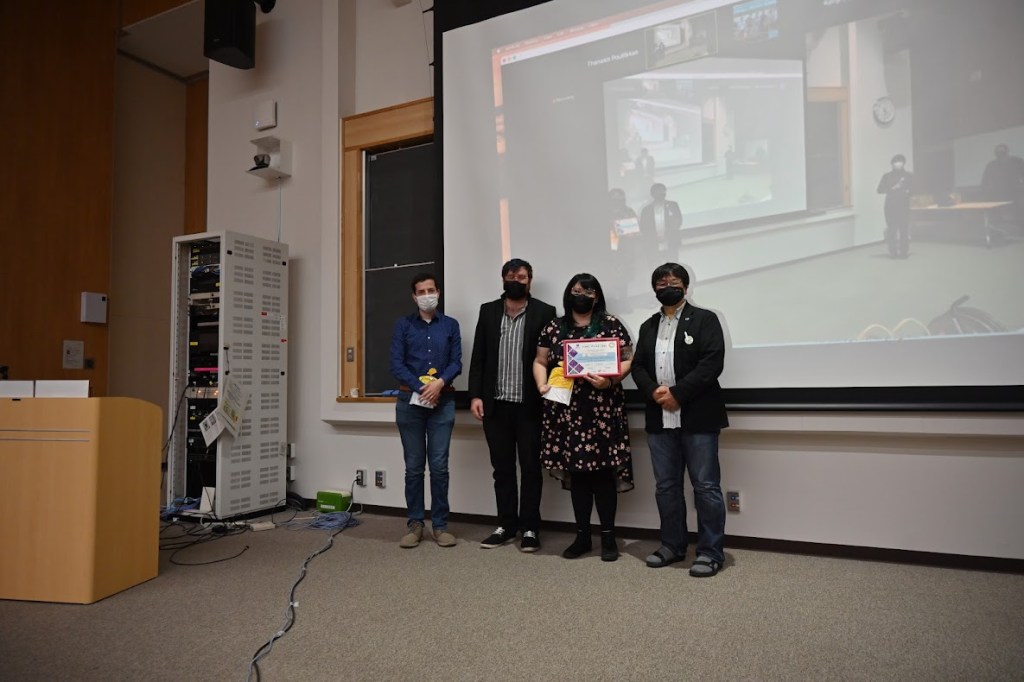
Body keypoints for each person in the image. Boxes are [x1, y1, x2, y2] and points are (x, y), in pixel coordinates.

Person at [631, 263, 728, 577]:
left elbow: (712, 362)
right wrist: (654, 391)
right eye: (661, 283)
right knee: (666, 487)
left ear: (686, 287)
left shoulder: (705, 319)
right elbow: (638, 366)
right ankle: (672, 545)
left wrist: (678, 394)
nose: (667, 286)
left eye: (673, 281)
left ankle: (711, 552)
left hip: (698, 416)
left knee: (706, 487)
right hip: (659, 417)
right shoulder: (648, 325)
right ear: (654, 290)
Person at [533, 273, 633, 562]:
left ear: (596, 296)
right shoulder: (554, 327)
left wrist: (611, 380)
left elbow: (628, 358)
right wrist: (541, 384)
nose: (582, 295)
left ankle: (609, 537)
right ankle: (582, 536)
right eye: (576, 290)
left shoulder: (610, 324)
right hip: (567, 411)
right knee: (577, 477)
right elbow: (540, 360)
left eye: (588, 291)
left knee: (603, 475)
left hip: (602, 409)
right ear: (568, 294)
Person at [468, 259, 557, 552]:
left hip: (529, 406)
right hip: (495, 406)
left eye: (522, 276)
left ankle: (530, 527)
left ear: (530, 280)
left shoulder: (545, 312)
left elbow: (551, 361)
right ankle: (506, 525)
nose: (516, 280)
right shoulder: (488, 310)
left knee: (531, 469)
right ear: (503, 279)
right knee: (502, 469)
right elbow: (479, 357)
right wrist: (475, 395)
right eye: (511, 276)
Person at [389, 272, 462, 549]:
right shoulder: (403, 325)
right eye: (421, 292)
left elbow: (456, 362)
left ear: (438, 292)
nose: (427, 295)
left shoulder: (451, 325)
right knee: (414, 467)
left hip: (443, 402)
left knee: (440, 467)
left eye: (431, 290)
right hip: (410, 403)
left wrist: (439, 384)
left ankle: (440, 525)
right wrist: (422, 388)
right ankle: (415, 524)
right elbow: (396, 364)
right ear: (414, 296)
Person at [876, 154, 913, 258]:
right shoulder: (887, 176)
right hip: (890, 206)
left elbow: (915, 189)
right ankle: (893, 252)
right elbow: (879, 190)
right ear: (892, 164)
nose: (898, 164)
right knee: (892, 229)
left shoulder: (909, 176)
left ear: (904, 163)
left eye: (900, 161)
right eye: (895, 162)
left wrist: (908, 191)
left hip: (904, 206)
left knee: (904, 229)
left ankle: (904, 252)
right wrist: (893, 188)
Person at [981, 144, 1024, 231]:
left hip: (1014, 192)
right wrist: (986, 192)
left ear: (1007, 152)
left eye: (1003, 151)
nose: (1001, 154)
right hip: (997, 194)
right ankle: (997, 231)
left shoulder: (1016, 162)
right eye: (999, 152)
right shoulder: (991, 165)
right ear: (996, 154)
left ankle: (1021, 229)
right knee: (996, 214)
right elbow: (985, 180)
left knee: (1019, 210)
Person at [639, 182, 683, 258]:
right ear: (653, 194)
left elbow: (678, 221)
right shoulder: (646, 210)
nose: (661, 193)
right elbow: (643, 227)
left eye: (663, 191)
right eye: (658, 192)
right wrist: (655, 236)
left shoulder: (673, 205)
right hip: (653, 244)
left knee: (672, 263)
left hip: (671, 242)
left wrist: (666, 235)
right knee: (656, 264)